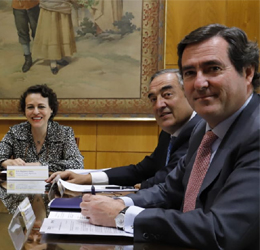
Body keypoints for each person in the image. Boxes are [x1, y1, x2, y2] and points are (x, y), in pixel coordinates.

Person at [80, 24, 259, 249]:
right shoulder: (203, 130)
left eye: (213, 68)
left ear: (248, 72)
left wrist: (123, 215)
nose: (200, 83)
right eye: (190, 73)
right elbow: (169, 190)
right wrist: (118, 202)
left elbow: (222, 230)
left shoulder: (256, 133)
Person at [47, 69, 200, 189]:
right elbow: (140, 171)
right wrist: (86, 178)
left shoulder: (200, 132)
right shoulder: (169, 133)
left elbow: (167, 179)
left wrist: (130, 194)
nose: (159, 105)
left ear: (188, 94)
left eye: (167, 95)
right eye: (153, 99)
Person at [0, 84, 83, 172]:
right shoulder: (16, 132)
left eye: (41, 106)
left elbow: (77, 164)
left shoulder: (64, 133)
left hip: (53, 189)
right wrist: (5, 162)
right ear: (25, 111)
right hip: (21, 190)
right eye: (30, 107)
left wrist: (40, 165)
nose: (35, 112)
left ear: (51, 109)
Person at [32, 0, 77, 75]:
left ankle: (59, 57)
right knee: (51, 34)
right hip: (48, 7)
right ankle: (53, 62)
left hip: (63, 7)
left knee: (62, 32)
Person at [11, 0, 40, 72]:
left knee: (37, 31)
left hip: (33, 5)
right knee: (22, 31)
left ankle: (49, 56)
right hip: (18, 7)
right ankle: (28, 58)